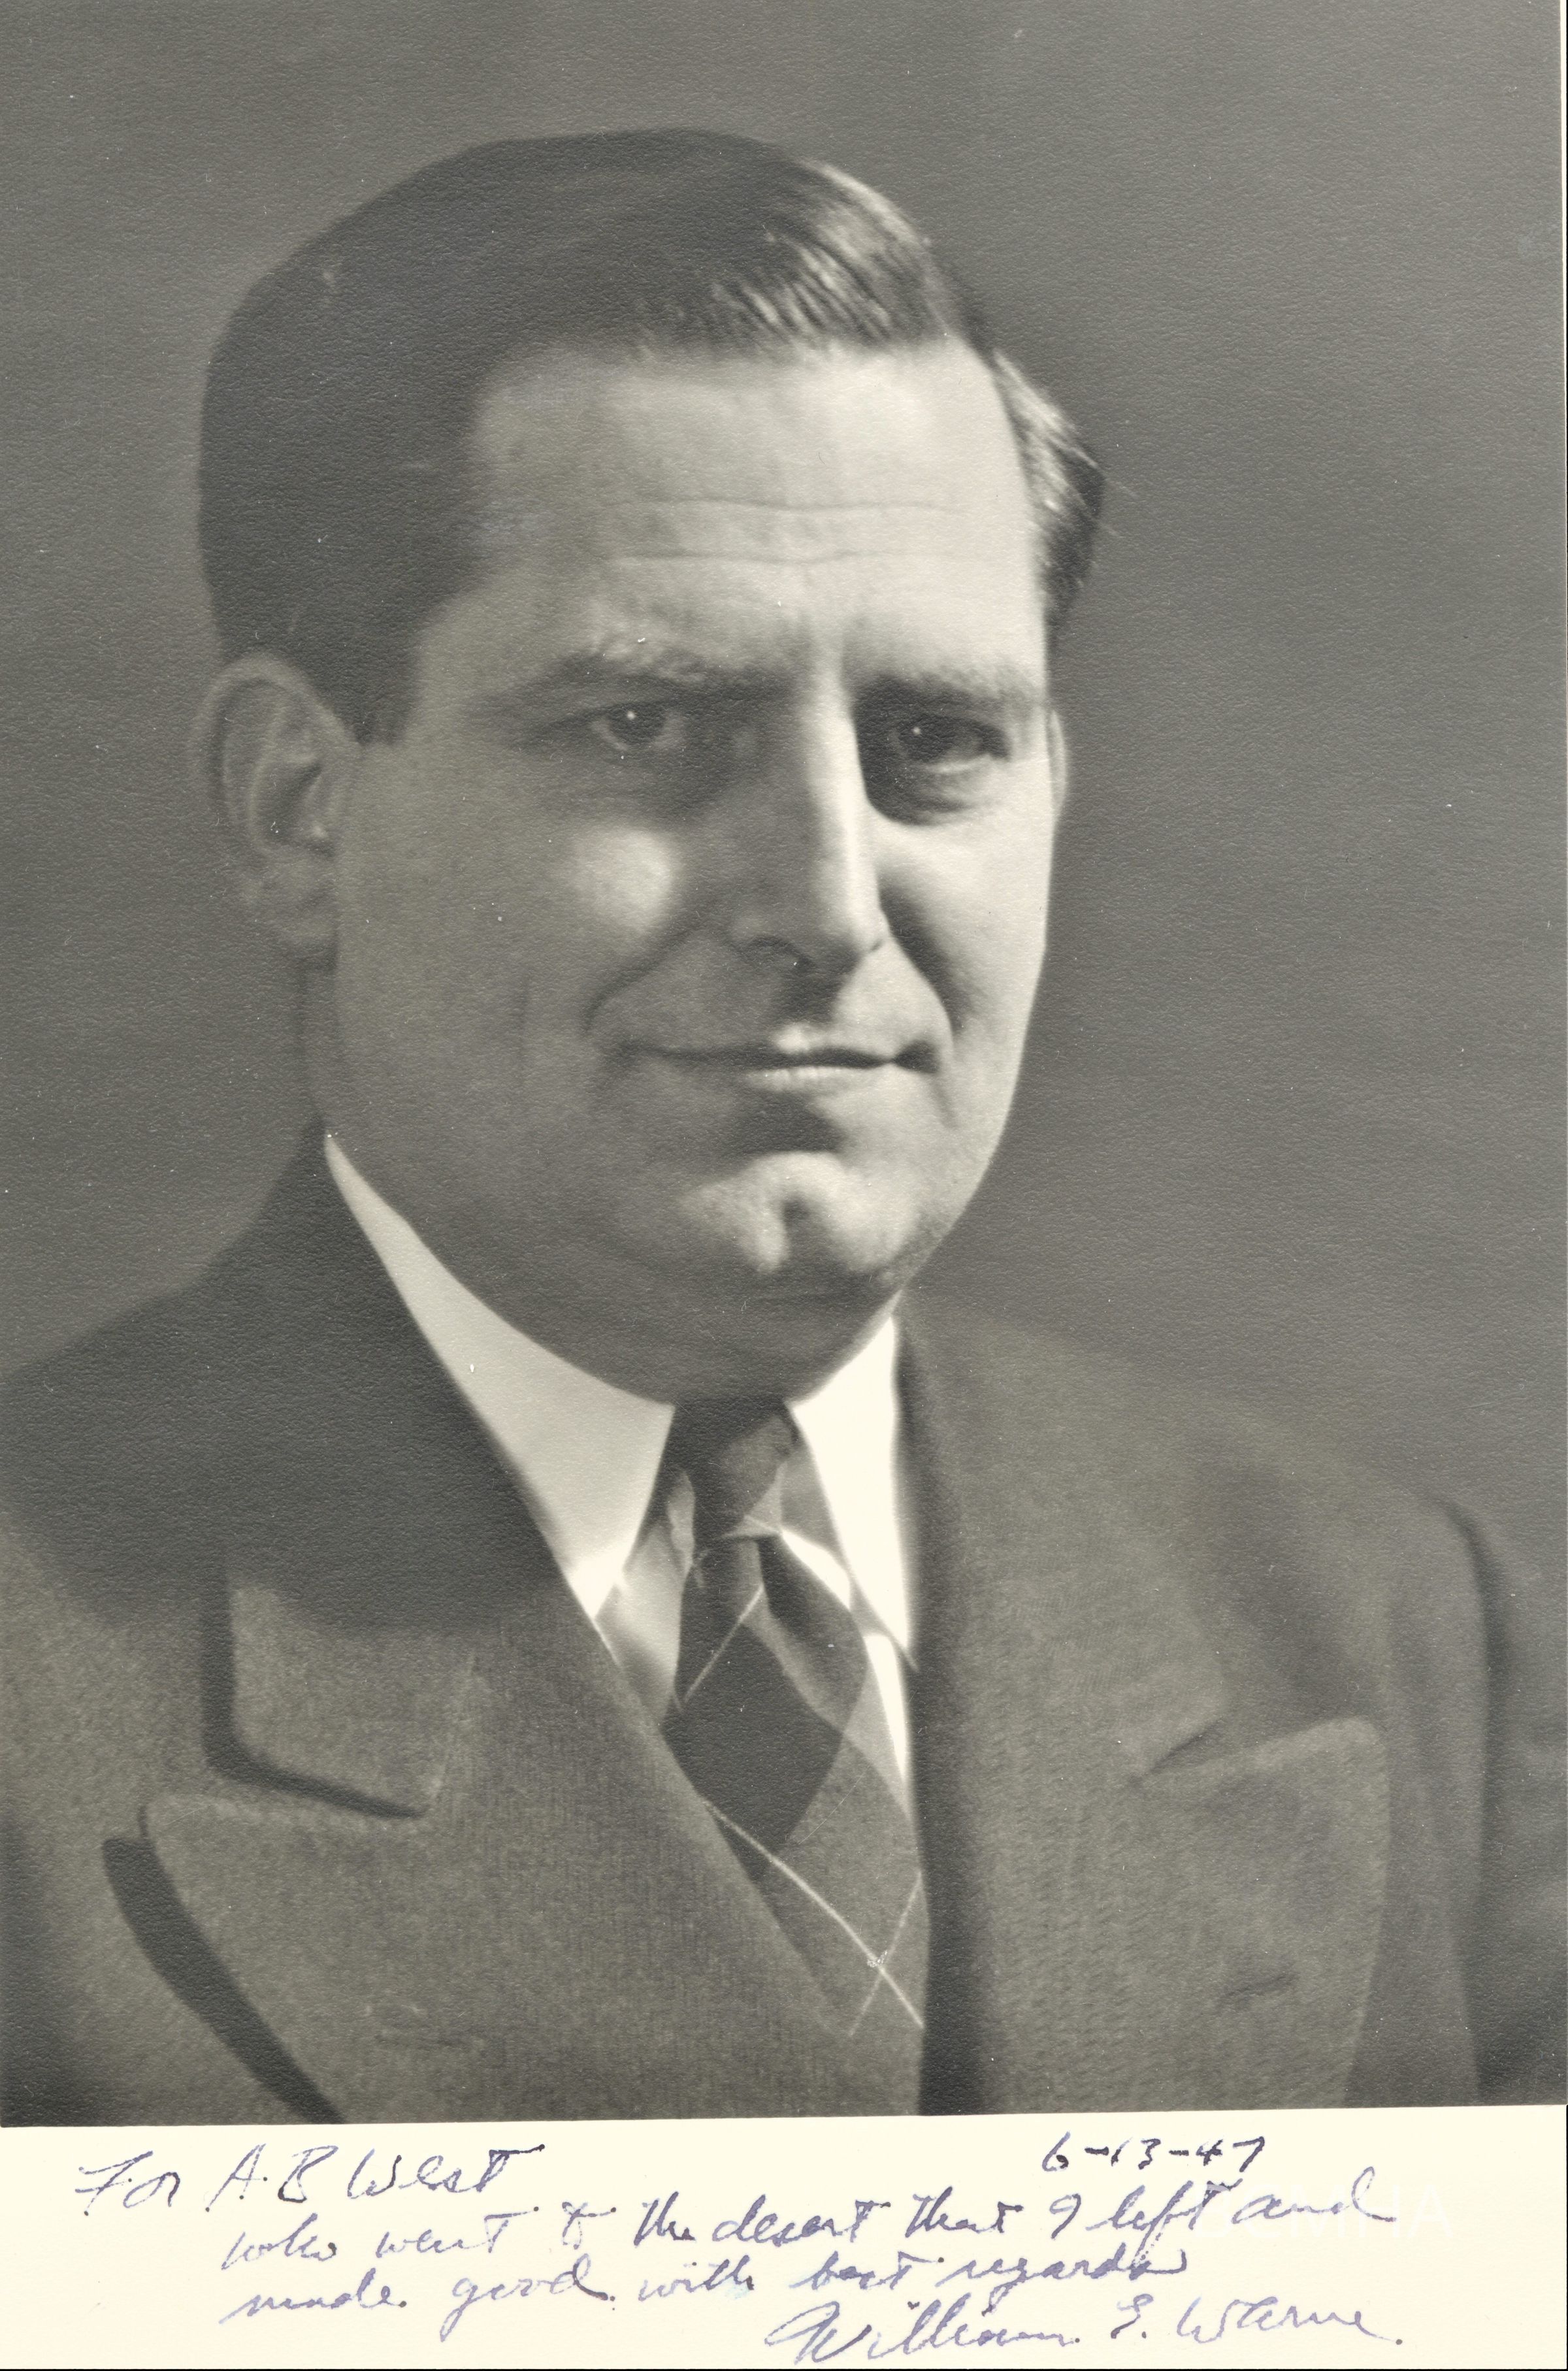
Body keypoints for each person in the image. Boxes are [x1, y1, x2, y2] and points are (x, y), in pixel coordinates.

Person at [2, 130, 1560, 2127]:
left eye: (936, 743)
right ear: (297, 808)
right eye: (647, 728)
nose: (827, 901)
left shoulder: (1391, 1632)